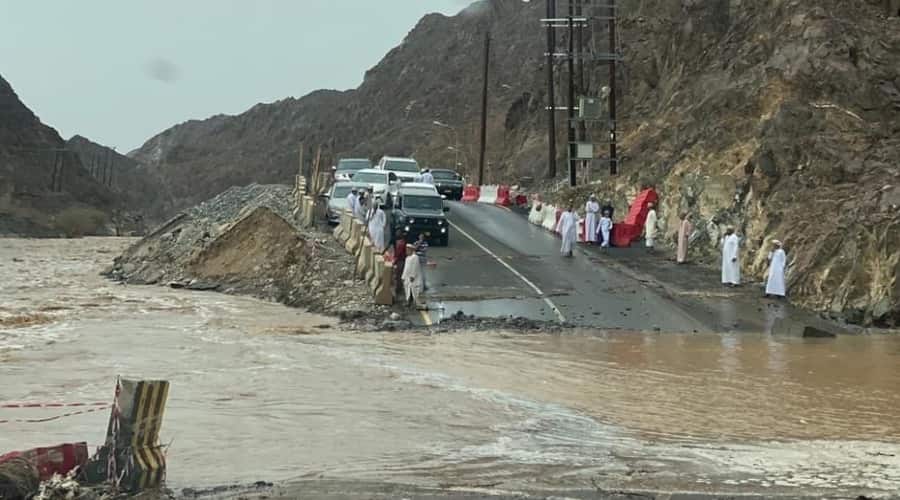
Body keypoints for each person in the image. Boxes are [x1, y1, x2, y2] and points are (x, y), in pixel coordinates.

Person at [401, 244, 424, 308]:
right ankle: (408, 302)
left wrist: (412, 276)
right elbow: (406, 268)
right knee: (408, 291)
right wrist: (403, 277)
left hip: (414, 278)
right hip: (407, 278)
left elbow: (415, 267)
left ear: (411, 250)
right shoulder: (407, 258)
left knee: (414, 291)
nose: (406, 251)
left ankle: (416, 303)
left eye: (407, 250)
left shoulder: (415, 257)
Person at [393, 230, 408, 295]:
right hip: (401, 260)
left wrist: (394, 260)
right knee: (399, 275)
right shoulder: (401, 242)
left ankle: (399, 289)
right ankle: (400, 288)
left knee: (399, 275)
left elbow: (398, 253)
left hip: (400, 261)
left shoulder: (401, 243)